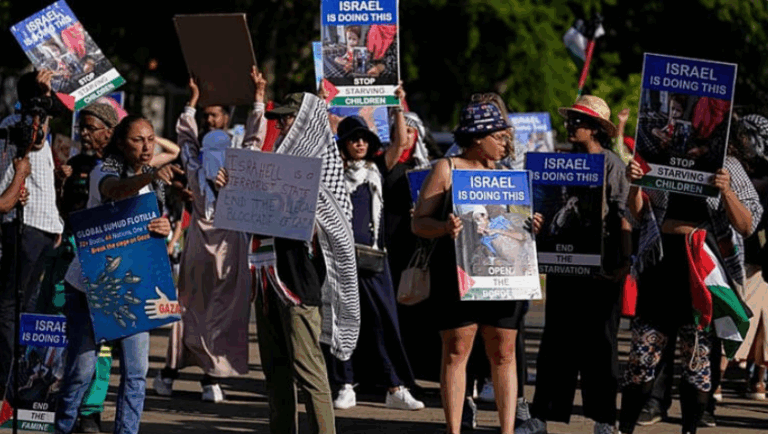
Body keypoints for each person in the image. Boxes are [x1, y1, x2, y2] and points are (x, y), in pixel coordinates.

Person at [223, 92, 358, 434]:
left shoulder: (324, 167)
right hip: (267, 281)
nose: (281, 124)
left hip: (299, 282)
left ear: (305, 122)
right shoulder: (273, 164)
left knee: (309, 371)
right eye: (280, 118)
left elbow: (335, 228)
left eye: (287, 118)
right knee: (275, 372)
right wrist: (231, 188)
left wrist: (300, 209)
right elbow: (251, 217)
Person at [619, 121, 762, 433]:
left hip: (702, 272)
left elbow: (747, 224)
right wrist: (634, 185)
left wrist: (725, 190)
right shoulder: (660, 159)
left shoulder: (729, 167)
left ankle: (689, 430)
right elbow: (638, 214)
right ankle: (625, 428)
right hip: (660, 267)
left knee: (697, 364)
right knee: (642, 360)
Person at [412, 102, 542, 434]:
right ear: (477, 137)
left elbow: (514, 225)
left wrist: (531, 225)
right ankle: (454, 429)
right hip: (458, 277)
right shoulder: (447, 168)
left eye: (506, 136)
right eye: (498, 136)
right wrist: (444, 228)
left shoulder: (509, 174)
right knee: (457, 350)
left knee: (504, 352)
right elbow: (419, 223)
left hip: (504, 280)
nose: (505, 143)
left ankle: (507, 429)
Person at [54, 115, 179, 434]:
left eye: (151, 139)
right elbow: (118, 193)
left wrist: (162, 228)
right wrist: (147, 170)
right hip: (90, 286)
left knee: (137, 373)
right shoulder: (103, 171)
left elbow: (173, 152)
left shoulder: (150, 176)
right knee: (81, 372)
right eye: (138, 140)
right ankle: (64, 426)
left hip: (135, 286)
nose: (147, 146)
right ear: (121, 144)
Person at [516, 95, 631, 434]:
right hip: (564, 265)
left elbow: (623, 216)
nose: (570, 126)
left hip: (601, 266)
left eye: (578, 121)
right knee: (556, 341)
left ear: (595, 129)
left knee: (602, 343)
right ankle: (541, 415)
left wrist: (624, 261)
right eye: (570, 120)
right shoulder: (557, 161)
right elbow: (540, 206)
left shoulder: (612, 164)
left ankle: (604, 420)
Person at [153, 67, 267, 402]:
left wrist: (258, 98)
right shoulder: (196, 160)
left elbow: (254, 141)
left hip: (232, 241)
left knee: (226, 311)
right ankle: (170, 371)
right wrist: (191, 102)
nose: (209, 121)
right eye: (205, 116)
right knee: (190, 307)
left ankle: (210, 377)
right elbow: (186, 140)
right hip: (201, 240)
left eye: (214, 115)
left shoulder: (239, 162)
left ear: (227, 118)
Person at [325, 115, 423, 411]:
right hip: (339, 259)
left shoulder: (377, 169)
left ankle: (395, 387)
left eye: (364, 138)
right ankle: (345, 385)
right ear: (342, 143)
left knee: (385, 322)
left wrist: (396, 103)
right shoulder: (329, 172)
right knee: (343, 323)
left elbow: (401, 142)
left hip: (374, 260)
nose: (359, 143)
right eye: (354, 138)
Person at [0, 70, 65, 397]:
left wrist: (54, 223)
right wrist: (43, 94)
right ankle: (4, 379)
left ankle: (16, 377)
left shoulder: (37, 123)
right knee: (11, 305)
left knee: (26, 305)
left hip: (42, 226)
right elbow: (34, 138)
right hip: (20, 225)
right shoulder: (15, 126)